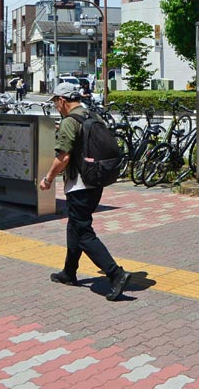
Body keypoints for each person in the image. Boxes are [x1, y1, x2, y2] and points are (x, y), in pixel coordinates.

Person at [39, 82, 130, 300]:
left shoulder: (70, 121)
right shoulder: (92, 115)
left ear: (62, 100)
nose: (55, 107)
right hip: (96, 180)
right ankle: (69, 272)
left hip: (80, 185)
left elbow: (64, 157)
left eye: (55, 102)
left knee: (83, 233)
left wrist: (48, 178)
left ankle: (115, 274)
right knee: (75, 227)